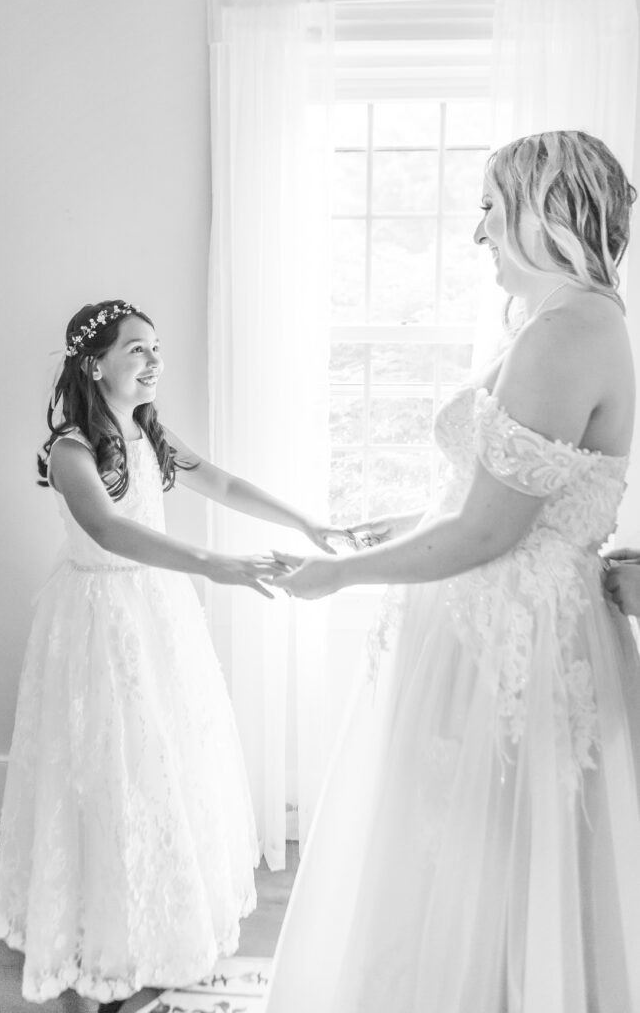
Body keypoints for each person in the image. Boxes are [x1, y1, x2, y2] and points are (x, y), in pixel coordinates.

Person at [264, 131, 640, 1013]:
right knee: (470, 859)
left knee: (486, 860)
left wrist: (338, 577)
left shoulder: (567, 333)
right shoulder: (563, 324)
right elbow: (508, 499)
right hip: (502, 627)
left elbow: (486, 533)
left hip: (515, 644)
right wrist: (396, 528)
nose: (477, 234)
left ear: (544, 212)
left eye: (487, 206)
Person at [0, 300, 349, 1011]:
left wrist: (304, 519)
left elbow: (223, 483)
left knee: (164, 771)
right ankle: (87, 951)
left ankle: (147, 937)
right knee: (101, 774)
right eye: (137, 350)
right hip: (96, 618)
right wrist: (210, 562)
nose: (154, 361)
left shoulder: (149, 430)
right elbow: (109, 530)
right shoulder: (70, 448)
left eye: (156, 349)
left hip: (159, 616)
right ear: (96, 364)